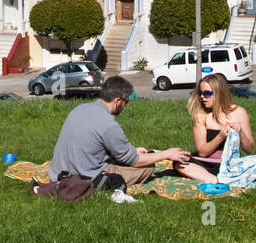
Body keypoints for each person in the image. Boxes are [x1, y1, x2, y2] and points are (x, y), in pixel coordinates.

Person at [40, 76, 191, 193]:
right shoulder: (108, 124)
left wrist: (133, 150)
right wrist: (166, 154)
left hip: (58, 172)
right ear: (118, 101)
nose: (125, 106)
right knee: (148, 167)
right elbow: (134, 161)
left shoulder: (79, 109)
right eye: (126, 102)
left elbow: (96, 145)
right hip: (85, 176)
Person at [184, 73, 253, 177]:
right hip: (206, 163)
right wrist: (220, 137)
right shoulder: (200, 115)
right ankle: (215, 179)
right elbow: (202, 152)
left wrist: (241, 133)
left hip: (231, 164)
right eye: (200, 93)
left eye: (207, 93)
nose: (202, 97)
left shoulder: (239, 112)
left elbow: (249, 149)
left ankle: (215, 177)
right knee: (179, 163)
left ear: (218, 93)